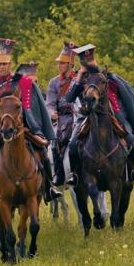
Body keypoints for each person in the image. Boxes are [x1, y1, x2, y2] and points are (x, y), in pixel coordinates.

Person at [0, 38, 61, 199]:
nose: (2, 67)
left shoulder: (23, 82)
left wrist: (33, 126)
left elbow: (33, 106)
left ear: (10, 64)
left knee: (42, 152)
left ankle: (49, 186)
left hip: (21, 128)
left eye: (5, 64)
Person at [65, 44, 134, 185]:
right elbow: (69, 99)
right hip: (85, 117)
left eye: (88, 58)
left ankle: (131, 171)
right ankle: (74, 175)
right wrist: (78, 78)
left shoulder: (104, 76)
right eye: (84, 59)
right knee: (72, 145)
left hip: (108, 116)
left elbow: (124, 94)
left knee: (130, 138)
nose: (87, 61)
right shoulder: (79, 78)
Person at [46, 42, 77, 186]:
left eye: (63, 63)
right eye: (59, 63)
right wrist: (52, 112)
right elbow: (50, 103)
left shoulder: (79, 79)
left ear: (71, 64)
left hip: (79, 115)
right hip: (63, 118)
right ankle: (59, 174)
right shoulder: (54, 83)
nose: (60, 65)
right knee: (54, 144)